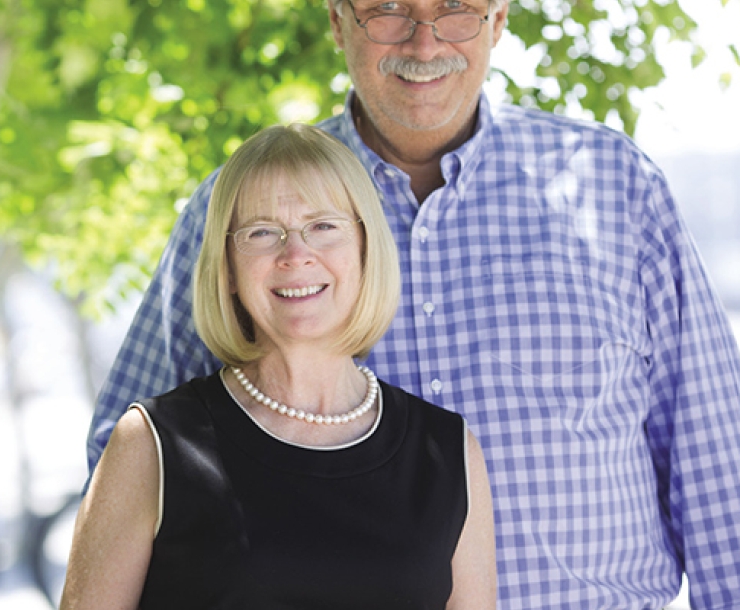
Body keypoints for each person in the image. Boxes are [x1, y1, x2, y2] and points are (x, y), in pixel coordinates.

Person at [86, 0, 740, 608]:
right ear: (338, 20)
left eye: (456, 7)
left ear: (497, 19)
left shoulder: (613, 187)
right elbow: (136, 469)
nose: (424, 40)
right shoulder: (246, 209)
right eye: (390, 8)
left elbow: (716, 464)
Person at [61, 124, 497, 609]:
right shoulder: (152, 444)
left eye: (323, 226)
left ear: (365, 248)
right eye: (262, 232)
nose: (295, 255)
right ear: (226, 268)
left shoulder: (449, 451)